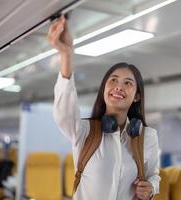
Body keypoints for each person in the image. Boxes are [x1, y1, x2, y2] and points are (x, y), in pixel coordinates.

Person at [48, 15, 160, 200]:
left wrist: (152, 188)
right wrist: (66, 55)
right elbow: (63, 111)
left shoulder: (147, 137)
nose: (119, 86)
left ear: (137, 96)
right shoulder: (84, 131)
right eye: (113, 80)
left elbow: (153, 175)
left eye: (128, 83)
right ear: (104, 90)